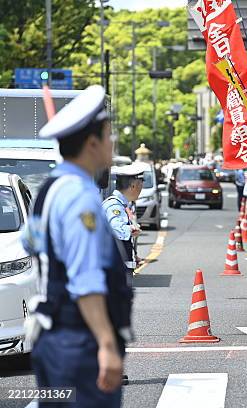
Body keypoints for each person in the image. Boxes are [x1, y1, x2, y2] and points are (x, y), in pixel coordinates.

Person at [21, 85, 132, 407]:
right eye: (109, 135)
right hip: (79, 338)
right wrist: (106, 343)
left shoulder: (51, 188)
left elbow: (32, 242)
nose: (113, 142)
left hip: (52, 336)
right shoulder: (81, 197)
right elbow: (86, 278)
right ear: (92, 143)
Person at [102, 164, 144, 277]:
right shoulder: (114, 206)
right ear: (133, 186)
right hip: (116, 271)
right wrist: (132, 229)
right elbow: (117, 229)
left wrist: (133, 256)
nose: (141, 189)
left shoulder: (120, 204)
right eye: (141, 184)